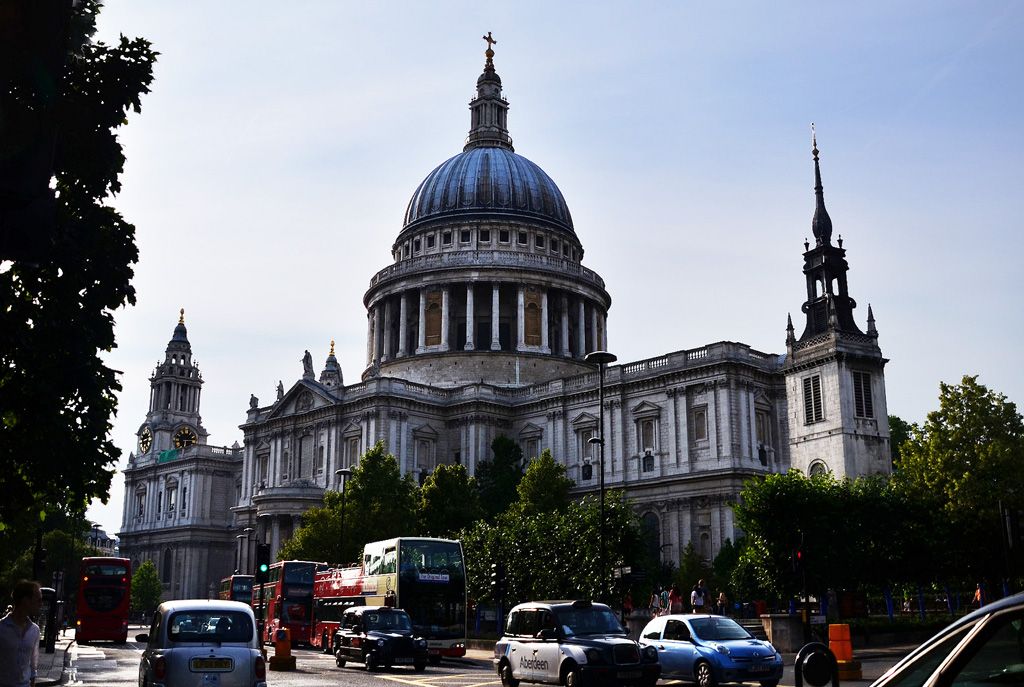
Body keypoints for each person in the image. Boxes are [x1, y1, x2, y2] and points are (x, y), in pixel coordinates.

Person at [0, 580, 43, 687]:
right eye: (38, 600)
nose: (41, 604)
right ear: (25, 600)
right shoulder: (1, 628)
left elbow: (33, 665)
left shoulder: (35, 630)